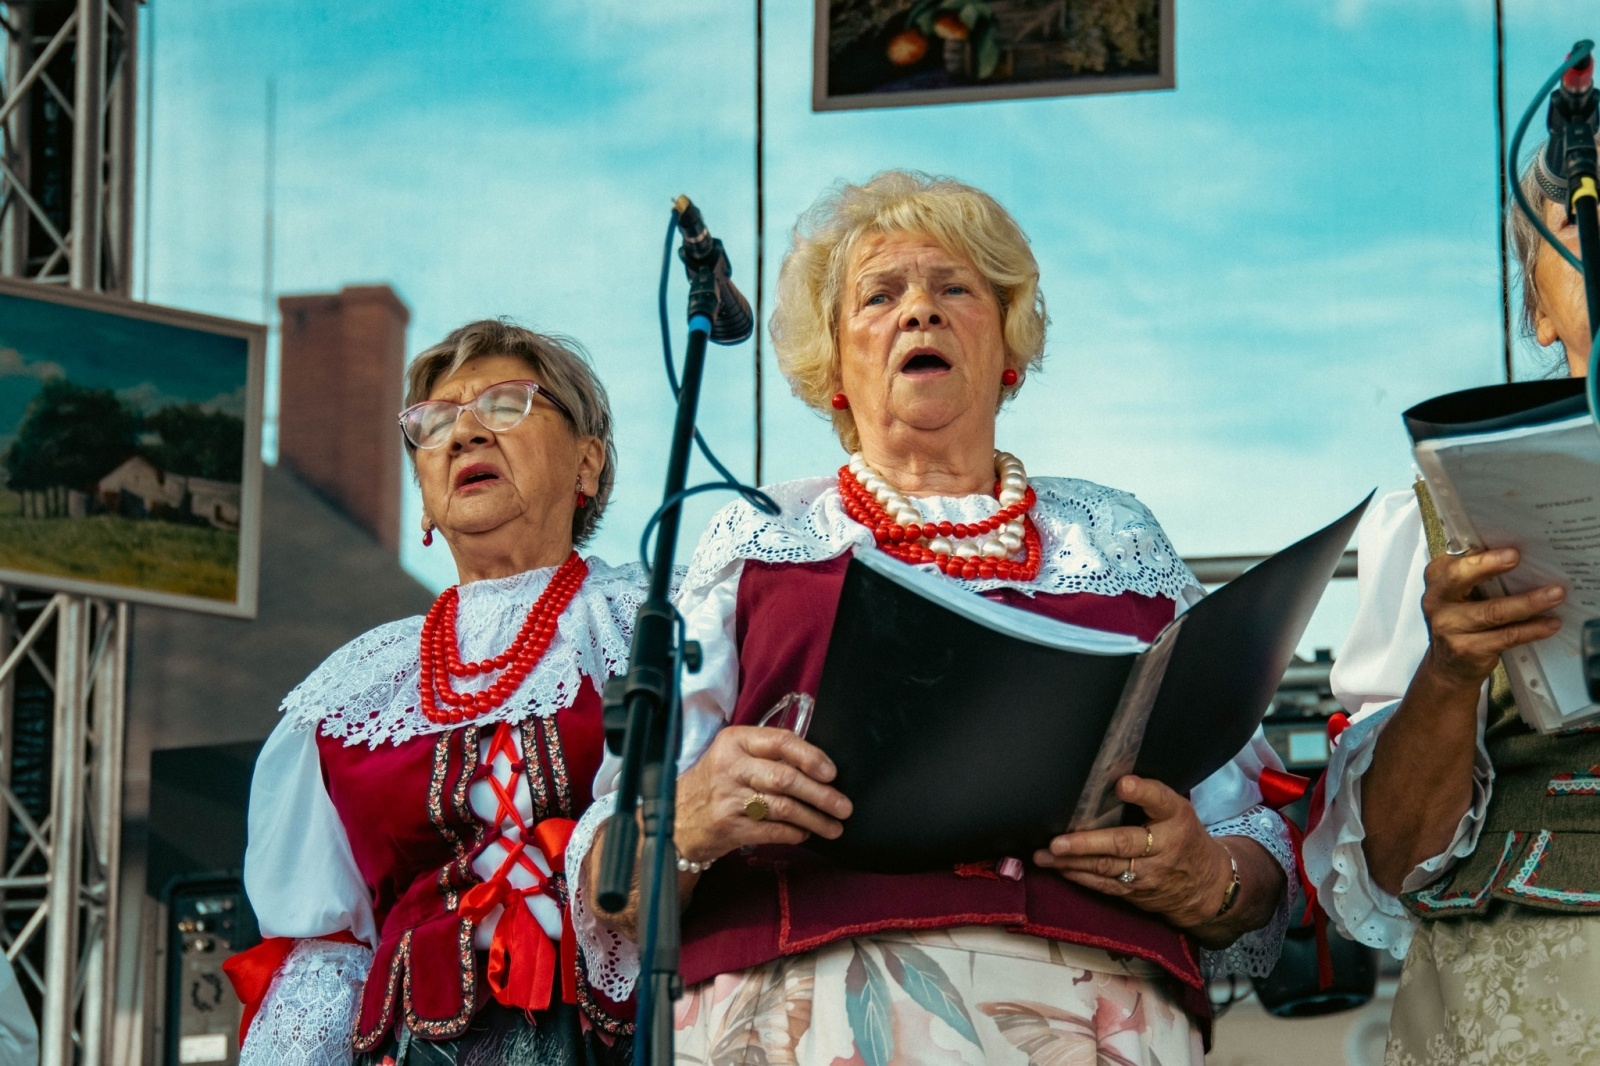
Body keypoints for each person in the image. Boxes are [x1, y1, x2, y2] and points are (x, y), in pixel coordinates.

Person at [569, 171, 1295, 1064]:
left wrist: (1210, 880)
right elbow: (613, 887)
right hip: (806, 1020)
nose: (920, 311)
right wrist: (689, 817)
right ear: (835, 370)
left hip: (1095, 1024)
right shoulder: (761, 540)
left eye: (956, 288)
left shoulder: (1115, 537)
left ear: (1008, 348)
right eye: (880, 296)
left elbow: (1251, 839)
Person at [234, 321, 639, 1065]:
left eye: (507, 404)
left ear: (588, 462)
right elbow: (324, 955)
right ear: (422, 497)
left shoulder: (657, 626)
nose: (465, 435)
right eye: (436, 422)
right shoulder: (354, 690)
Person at [1304, 143, 1598, 1064]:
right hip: (1528, 1006)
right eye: (1582, 216)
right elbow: (1391, 862)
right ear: (1538, 307)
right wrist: (1449, 671)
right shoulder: (1440, 520)